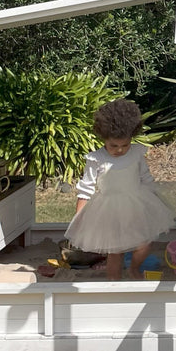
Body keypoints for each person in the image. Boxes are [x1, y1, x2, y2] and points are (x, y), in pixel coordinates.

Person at [67, 98, 169, 281]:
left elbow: (145, 178)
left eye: (125, 145)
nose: (120, 150)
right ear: (103, 137)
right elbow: (86, 189)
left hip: (135, 205)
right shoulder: (96, 159)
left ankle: (134, 269)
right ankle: (113, 282)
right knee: (115, 251)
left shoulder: (137, 153)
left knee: (144, 244)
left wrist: (154, 201)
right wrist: (80, 218)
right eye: (114, 146)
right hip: (109, 210)